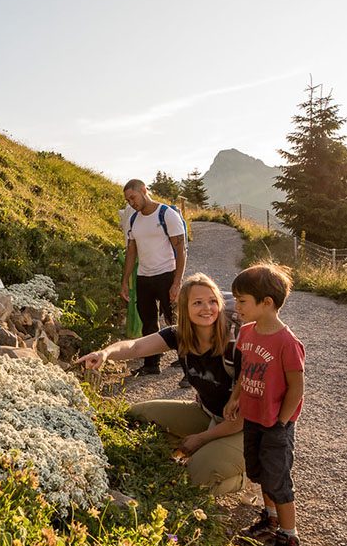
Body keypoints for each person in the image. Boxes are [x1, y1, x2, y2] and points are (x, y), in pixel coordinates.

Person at [78, 273, 245, 495]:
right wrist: (104, 353)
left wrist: (200, 439)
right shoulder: (180, 335)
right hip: (208, 413)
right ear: (184, 308)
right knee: (138, 414)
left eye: (213, 301)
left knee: (197, 478)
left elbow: (243, 417)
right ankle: (209, 451)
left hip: (244, 426)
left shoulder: (237, 343)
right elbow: (136, 347)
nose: (207, 308)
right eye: (197, 303)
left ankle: (246, 476)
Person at [224, 263, 306, 546]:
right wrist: (235, 399)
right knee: (258, 470)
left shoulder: (287, 343)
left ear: (266, 303)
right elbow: (245, 372)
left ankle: (290, 542)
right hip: (254, 417)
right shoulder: (246, 332)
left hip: (276, 423)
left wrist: (282, 422)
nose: (237, 306)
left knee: (278, 479)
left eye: (242, 301)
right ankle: (271, 520)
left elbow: (297, 387)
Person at [120, 180, 186, 375]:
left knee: (174, 320)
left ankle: (187, 367)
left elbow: (181, 251)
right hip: (144, 277)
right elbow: (131, 252)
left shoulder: (167, 214)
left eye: (133, 197)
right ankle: (151, 364)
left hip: (166, 274)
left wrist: (177, 282)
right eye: (128, 200)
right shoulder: (134, 220)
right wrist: (125, 281)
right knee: (148, 322)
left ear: (143, 190)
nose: (131, 202)